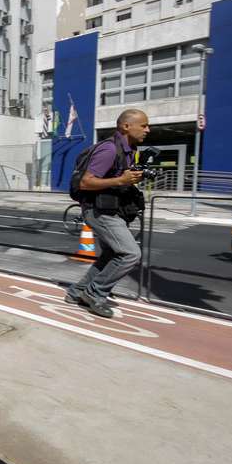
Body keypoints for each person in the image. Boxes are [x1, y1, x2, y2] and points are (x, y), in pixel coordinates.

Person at [64, 109, 148, 318]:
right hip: (98, 211)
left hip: (110, 209)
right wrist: (121, 180)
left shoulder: (129, 150)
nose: (148, 130)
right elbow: (86, 182)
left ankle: (77, 292)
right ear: (126, 126)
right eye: (144, 125)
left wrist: (130, 180)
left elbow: (117, 179)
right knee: (130, 254)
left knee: (111, 254)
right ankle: (95, 294)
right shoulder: (109, 149)